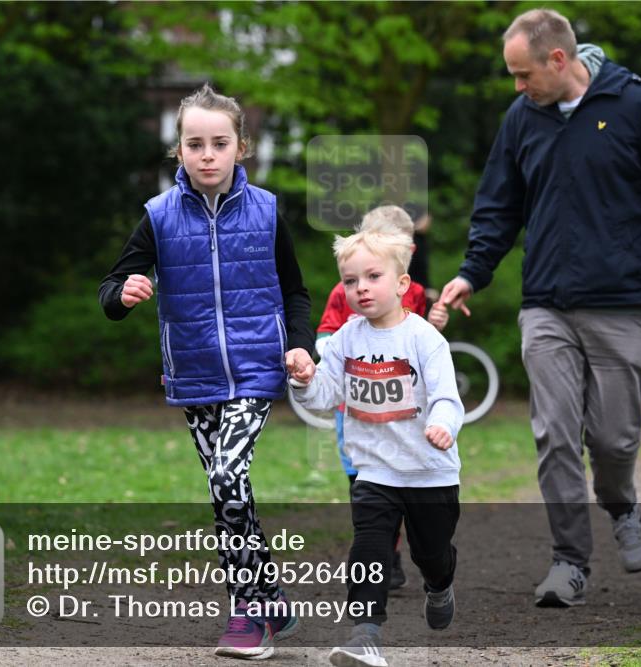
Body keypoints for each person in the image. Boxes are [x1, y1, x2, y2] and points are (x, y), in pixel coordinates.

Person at [438, 8, 641, 607]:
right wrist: (470, 275)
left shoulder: (635, 104)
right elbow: (498, 206)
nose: (516, 86)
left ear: (559, 60)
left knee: (613, 440)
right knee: (555, 433)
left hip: (624, 303)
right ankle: (569, 562)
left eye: (522, 73)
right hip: (547, 305)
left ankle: (622, 502)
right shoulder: (521, 118)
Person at [99, 83, 314, 660]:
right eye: (195, 144)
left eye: (220, 143)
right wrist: (126, 292)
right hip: (194, 376)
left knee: (226, 479)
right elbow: (109, 291)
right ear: (180, 153)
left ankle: (247, 617)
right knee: (229, 495)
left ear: (241, 147)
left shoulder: (268, 212)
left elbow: (295, 292)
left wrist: (299, 346)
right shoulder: (158, 217)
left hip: (254, 369)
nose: (208, 155)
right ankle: (271, 599)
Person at [289, 229, 464, 667]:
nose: (360, 288)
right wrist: (307, 379)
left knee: (431, 553)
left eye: (372, 276)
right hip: (374, 472)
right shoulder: (347, 338)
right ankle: (365, 634)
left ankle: (440, 584)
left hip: (429, 471)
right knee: (370, 548)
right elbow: (326, 396)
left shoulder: (424, 339)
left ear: (402, 284)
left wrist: (443, 424)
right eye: (350, 281)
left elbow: (447, 396)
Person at [315, 205, 449, 593]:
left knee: (407, 484)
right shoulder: (344, 292)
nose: (365, 285)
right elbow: (327, 335)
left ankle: (414, 550)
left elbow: (420, 342)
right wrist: (332, 354)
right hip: (355, 406)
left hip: (403, 413)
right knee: (364, 481)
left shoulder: (417, 293)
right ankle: (381, 552)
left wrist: (435, 322)